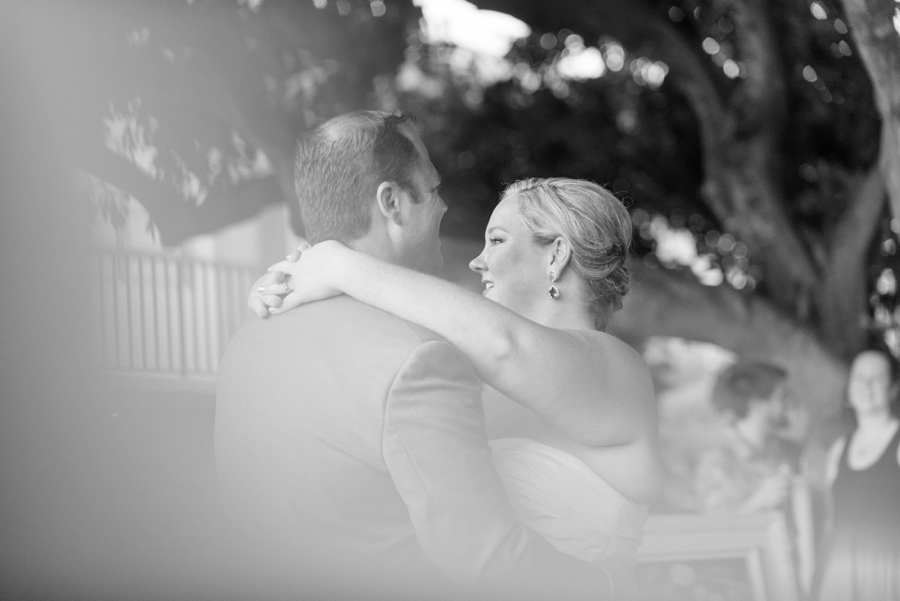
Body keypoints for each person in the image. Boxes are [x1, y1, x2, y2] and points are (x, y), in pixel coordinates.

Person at [215, 111, 624, 601]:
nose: (445, 207)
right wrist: (609, 586)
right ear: (391, 203)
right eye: (432, 191)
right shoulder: (418, 359)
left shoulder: (248, 339)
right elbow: (487, 561)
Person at [252, 177, 664, 573]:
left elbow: (505, 346)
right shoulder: (467, 373)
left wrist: (339, 264)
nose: (476, 260)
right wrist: (292, 288)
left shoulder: (616, 370)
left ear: (556, 255)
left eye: (497, 240)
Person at [693, 359, 815, 591]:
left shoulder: (789, 451)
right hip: (742, 586)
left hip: (793, 584)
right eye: (782, 396)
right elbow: (708, 537)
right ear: (760, 404)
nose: (789, 403)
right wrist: (758, 502)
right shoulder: (717, 462)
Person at [813, 349, 900, 601]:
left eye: (877, 378)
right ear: (849, 388)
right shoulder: (839, 449)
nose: (867, 385)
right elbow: (831, 521)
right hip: (841, 573)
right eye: (859, 377)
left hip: (889, 571)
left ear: (893, 388)